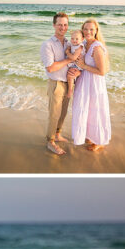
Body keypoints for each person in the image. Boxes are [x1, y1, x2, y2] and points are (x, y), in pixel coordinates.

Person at [39, 12, 83, 157]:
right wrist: (69, 61)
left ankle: (58, 134)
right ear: (54, 25)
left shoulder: (70, 43)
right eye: (59, 24)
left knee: (63, 112)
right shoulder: (47, 44)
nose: (62, 27)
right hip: (56, 83)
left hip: (68, 82)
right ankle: (50, 141)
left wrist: (77, 73)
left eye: (65, 25)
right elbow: (50, 67)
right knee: (54, 114)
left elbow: (78, 62)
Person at [72, 18, 112, 152]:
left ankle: (100, 141)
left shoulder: (97, 47)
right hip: (84, 82)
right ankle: (89, 136)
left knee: (96, 111)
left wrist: (83, 65)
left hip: (94, 84)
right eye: (85, 29)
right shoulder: (84, 44)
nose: (88, 32)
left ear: (96, 31)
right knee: (86, 110)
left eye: (91, 29)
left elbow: (102, 72)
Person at [64, 29, 86, 99]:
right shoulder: (72, 44)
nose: (74, 40)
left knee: (70, 75)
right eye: (72, 38)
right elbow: (69, 48)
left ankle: (70, 90)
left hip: (77, 64)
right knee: (71, 76)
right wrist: (68, 49)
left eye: (77, 39)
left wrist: (67, 52)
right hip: (74, 63)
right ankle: (73, 87)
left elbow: (73, 57)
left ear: (82, 39)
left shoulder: (80, 47)